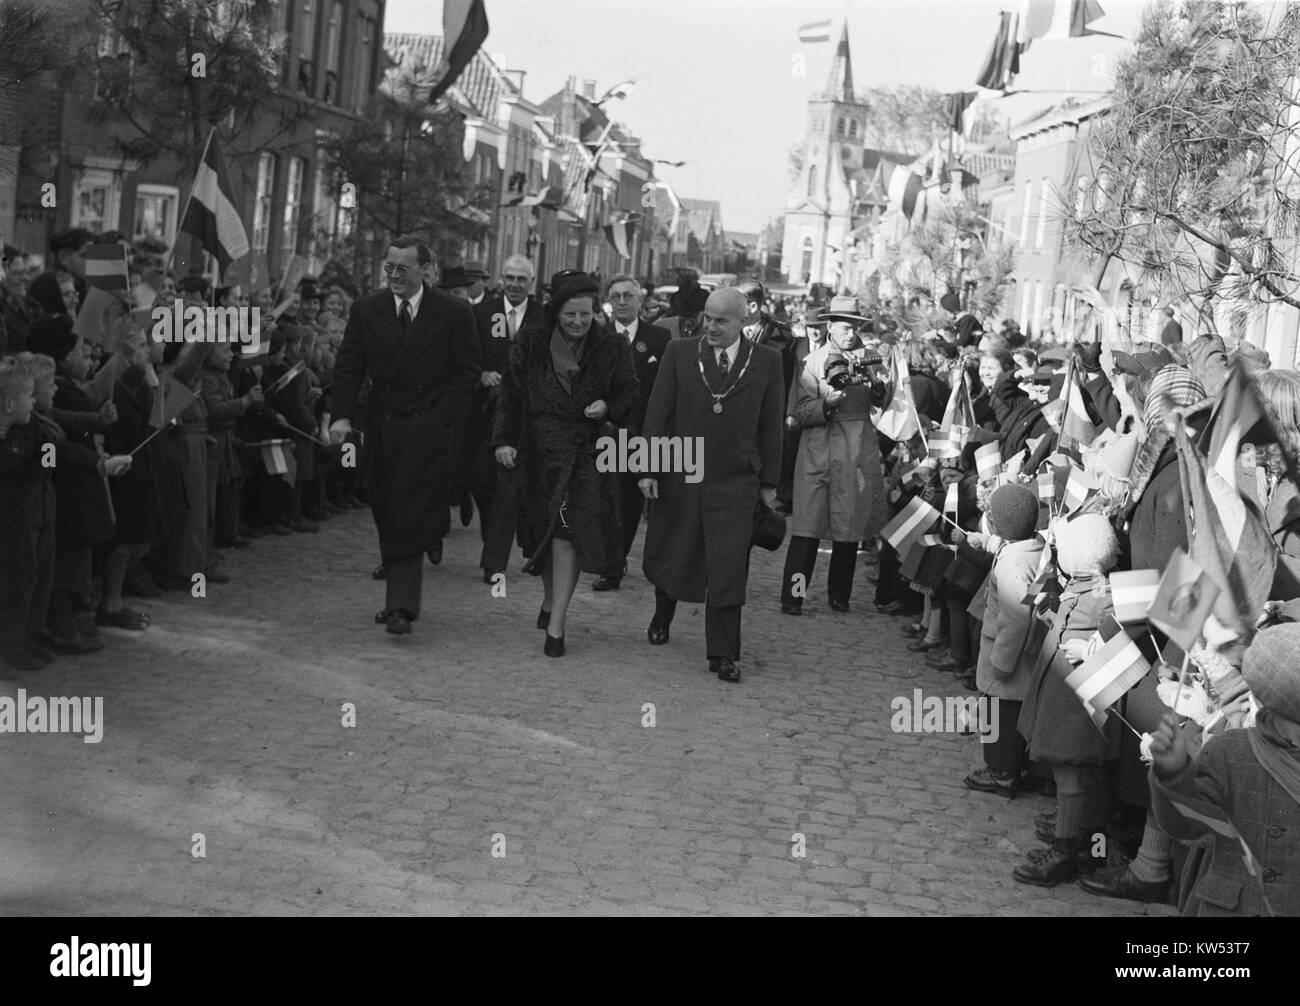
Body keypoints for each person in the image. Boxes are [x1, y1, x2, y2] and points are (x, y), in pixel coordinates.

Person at [329, 236, 482, 636]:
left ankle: (401, 606)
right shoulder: (367, 310)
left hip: (427, 429)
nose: (394, 276)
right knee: (384, 505)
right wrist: (341, 416)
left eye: (403, 269)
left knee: (406, 512)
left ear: (425, 270)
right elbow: (349, 366)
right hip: (381, 427)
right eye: (389, 268)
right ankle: (401, 584)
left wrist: (439, 419)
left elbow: (466, 374)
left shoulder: (454, 313)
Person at [638, 287, 786, 683]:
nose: (712, 327)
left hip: (736, 481)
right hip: (682, 472)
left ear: (743, 321)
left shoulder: (767, 362)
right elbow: (658, 413)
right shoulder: (679, 353)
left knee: (728, 565)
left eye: (722, 320)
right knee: (676, 548)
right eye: (708, 318)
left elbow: (772, 426)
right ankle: (663, 613)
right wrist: (648, 469)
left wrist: (769, 484)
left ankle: (723, 652)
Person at [492, 271, 637, 657]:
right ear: (556, 312)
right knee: (542, 532)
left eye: (585, 314)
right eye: (570, 314)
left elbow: (629, 391)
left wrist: (607, 405)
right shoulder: (531, 343)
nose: (578, 322)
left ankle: (557, 624)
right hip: (539, 452)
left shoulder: (612, 346)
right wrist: (504, 440)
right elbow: (511, 396)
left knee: (566, 533)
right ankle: (549, 598)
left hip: (586, 454)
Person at [779, 297, 887, 615]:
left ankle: (839, 596)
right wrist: (826, 404)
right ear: (830, 327)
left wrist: (878, 384)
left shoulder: (870, 358)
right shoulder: (812, 362)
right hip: (819, 449)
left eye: (854, 328)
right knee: (807, 530)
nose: (850, 334)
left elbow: (884, 402)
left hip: (855, 451)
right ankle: (794, 596)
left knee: (848, 529)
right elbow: (800, 411)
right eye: (844, 328)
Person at [593, 273, 670, 592]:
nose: (622, 302)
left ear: (640, 301)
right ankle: (609, 564)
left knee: (629, 503)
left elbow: (666, 389)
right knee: (603, 500)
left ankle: (617, 558)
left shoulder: (659, 338)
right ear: (608, 302)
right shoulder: (596, 336)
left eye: (628, 296)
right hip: (604, 432)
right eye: (616, 296)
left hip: (642, 434)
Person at [472, 255, 544, 582]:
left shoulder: (544, 318)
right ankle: (500, 540)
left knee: (508, 484)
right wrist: (481, 374)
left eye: (521, 279)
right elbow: (466, 354)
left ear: (531, 283)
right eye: (510, 278)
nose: (515, 284)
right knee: (482, 481)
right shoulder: (482, 314)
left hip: (525, 415)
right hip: (486, 413)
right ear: (501, 279)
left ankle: (494, 562)